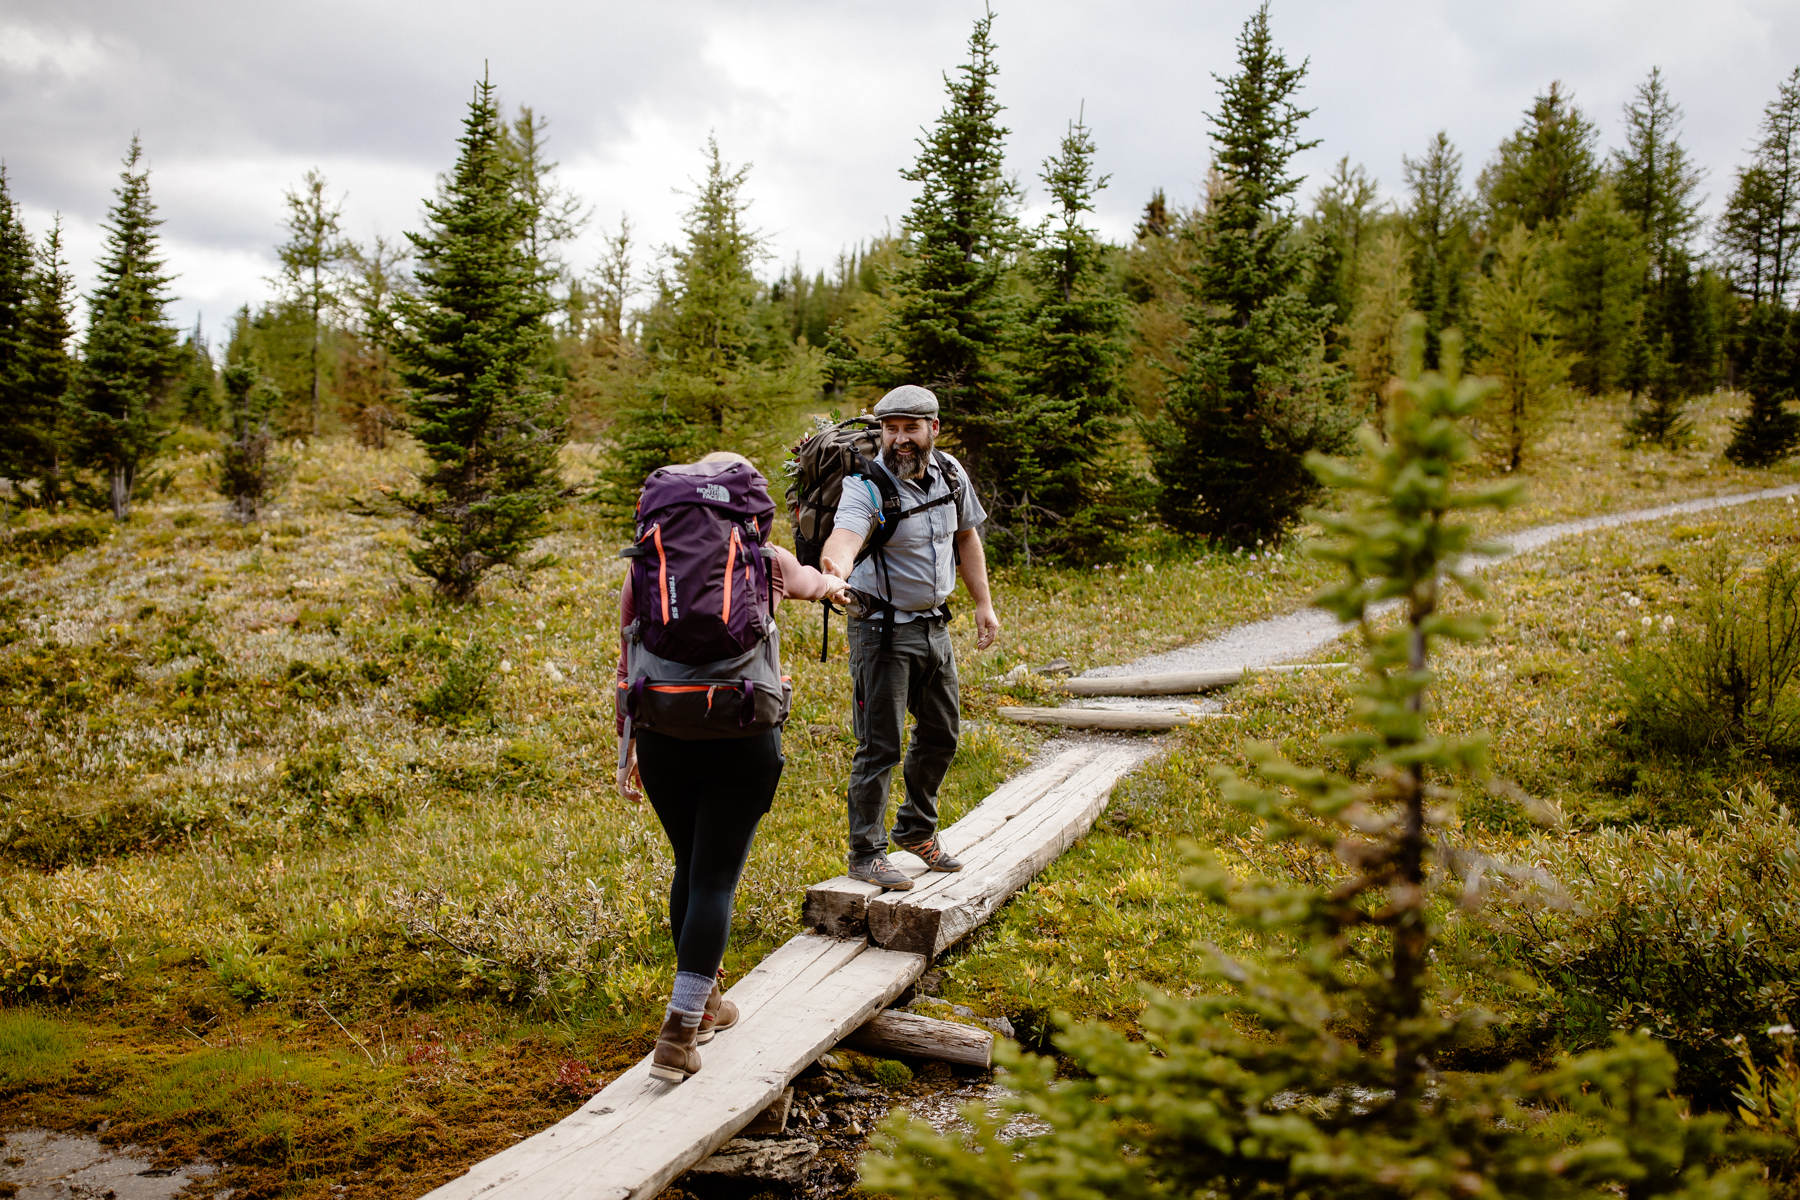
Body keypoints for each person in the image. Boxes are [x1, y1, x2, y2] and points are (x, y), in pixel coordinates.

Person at [616, 451, 849, 1083]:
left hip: (663, 730)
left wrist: (627, 747)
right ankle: (679, 1030)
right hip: (743, 731)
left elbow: (627, 659)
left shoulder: (645, 564)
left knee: (689, 867)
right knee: (715, 879)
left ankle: (709, 1005)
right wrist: (835, 581)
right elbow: (816, 586)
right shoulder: (766, 562)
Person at [818, 385, 1000, 892]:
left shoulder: (952, 474)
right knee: (880, 745)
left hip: (934, 626)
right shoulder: (866, 485)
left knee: (942, 734)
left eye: (909, 428)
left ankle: (916, 831)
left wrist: (983, 605)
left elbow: (966, 539)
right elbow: (846, 535)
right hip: (879, 633)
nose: (899, 439)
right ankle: (866, 853)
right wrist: (835, 572)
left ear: (933, 429)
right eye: (890, 428)